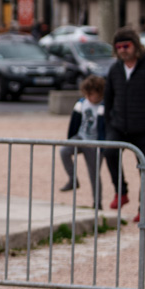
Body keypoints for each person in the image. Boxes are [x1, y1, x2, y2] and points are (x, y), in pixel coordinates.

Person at [102, 27, 145, 221]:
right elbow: (108, 98)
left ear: (135, 46)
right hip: (119, 125)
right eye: (119, 47)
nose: (123, 50)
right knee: (109, 152)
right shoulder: (115, 68)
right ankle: (121, 191)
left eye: (127, 45)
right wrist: (109, 122)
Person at [60, 74, 107, 207]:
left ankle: (97, 202)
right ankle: (73, 179)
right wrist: (70, 138)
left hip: (95, 142)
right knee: (64, 151)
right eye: (87, 94)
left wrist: (102, 147)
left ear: (99, 93)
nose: (89, 96)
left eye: (91, 94)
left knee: (93, 173)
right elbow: (74, 123)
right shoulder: (81, 103)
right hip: (81, 137)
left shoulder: (104, 106)